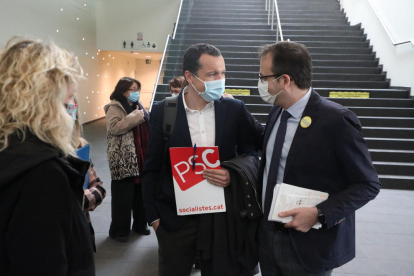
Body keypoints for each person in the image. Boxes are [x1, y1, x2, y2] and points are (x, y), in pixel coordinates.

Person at [257, 41, 381, 275]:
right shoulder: (277, 111)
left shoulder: (336, 120)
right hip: (267, 238)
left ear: (284, 81)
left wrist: (319, 213)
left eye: (264, 78)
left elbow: (368, 184)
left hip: (308, 245)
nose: (260, 84)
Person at [142, 43, 262, 276]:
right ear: (189, 76)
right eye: (212, 74)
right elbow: (152, 167)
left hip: (224, 216)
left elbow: (252, 154)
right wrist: (154, 218)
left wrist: (232, 173)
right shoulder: (163, 111)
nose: (220, 79)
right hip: (175, 218)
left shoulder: (234, 109)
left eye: (223, 73)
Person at [0, 37, 95, 275]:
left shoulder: (10, 151)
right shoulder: (45, 176)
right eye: (70, 96)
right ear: (46, 101)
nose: (73, 106)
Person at [104, 77, 150, 242]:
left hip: (141, 156)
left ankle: (140, 224)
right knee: (123, 196)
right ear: (123, 91)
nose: (136, 92)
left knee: (141, 194)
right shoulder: (114, 106)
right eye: (132, 89)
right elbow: (115, 128)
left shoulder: (138, 105)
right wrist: (136, 116)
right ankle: (119, 229)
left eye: (138, 88)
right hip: (124, 157)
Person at [66, 94, 106, 252]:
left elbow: (98, 188)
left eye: (71, 107)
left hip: (79, 235)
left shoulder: (79, 146)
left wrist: (78, 198)